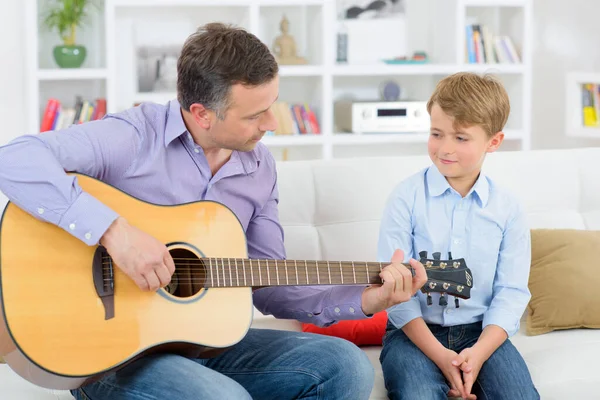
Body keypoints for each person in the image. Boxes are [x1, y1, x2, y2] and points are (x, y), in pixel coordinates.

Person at [0, 23, 427, 400]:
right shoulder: (133, 137)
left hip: (204, 343)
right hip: (112, 352)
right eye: (256, 114)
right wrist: (115, 232)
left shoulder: (259, 167)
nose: (273, 123)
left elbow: (270, 282)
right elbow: (14, 159)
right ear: (202, 114)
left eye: (273, 104)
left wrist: (368, 299)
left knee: (344, 364)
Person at [377, 72, 540, 400]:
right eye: (437, 133)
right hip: (413, 335)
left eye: (461, 138)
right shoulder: (405, 197)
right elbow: (395, 294)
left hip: (483, 334)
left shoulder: (507, 209)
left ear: (493, 142)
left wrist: (478, 353)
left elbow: (510, 292)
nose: (444, 148)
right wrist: (442, 358)